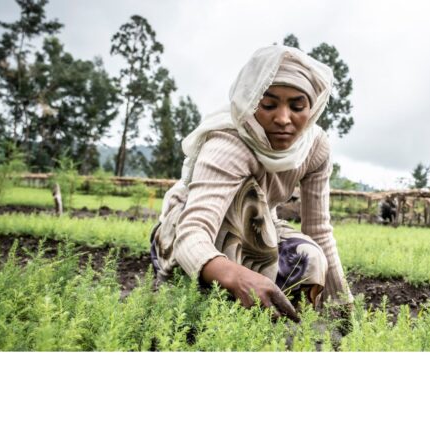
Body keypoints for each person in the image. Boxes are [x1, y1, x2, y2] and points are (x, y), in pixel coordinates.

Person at [150, 45, 353, 321]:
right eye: (268, 105)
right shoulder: (229, 142)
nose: (283, 119)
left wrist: (343, 309)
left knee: (311, 256)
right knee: (248, 202)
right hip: (185, 233)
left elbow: (318, 230)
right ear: (250, 101)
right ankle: (201, 312)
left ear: (312, 107)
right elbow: (192, 232)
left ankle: (281, 328)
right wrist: (236, 276)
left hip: (258, 232)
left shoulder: (314, 147)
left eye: (297, 106)